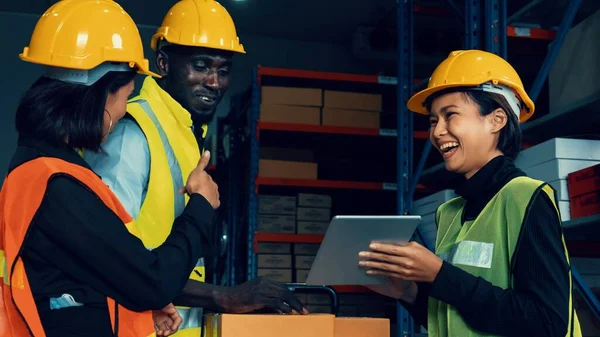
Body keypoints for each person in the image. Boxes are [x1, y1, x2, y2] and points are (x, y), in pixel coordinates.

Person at [84, 1, 306, 335]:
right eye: (201, 65)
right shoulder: (133, 133)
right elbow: (110, 259)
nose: (214, 82)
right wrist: (224, 296)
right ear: (163, 63)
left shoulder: (185, 135)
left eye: (223, 70)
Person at [0, 1, 221, 336]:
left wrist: (140, 316)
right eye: (125, 96)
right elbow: (153, 282)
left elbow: (72, 286)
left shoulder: (37, 169)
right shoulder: (57, 185)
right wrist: (202, 207)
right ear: (101, 94)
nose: (122, 112)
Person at [358, 50, 582, 337]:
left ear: (496, 120)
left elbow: (548, 322)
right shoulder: (449, 212)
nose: (438, 132)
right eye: (432, 121)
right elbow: (457, 319)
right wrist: (409, 293)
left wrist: (440, 275)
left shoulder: (527, 199)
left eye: (450, 115)